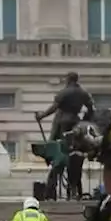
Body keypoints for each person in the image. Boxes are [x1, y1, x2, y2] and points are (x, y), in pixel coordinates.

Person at [36, 72, 95, 201]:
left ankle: (51, 191)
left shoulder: (64, 92)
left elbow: (53, 108)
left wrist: (42, 116)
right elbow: (91, 108)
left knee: (58, 156)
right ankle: (73, 190)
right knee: (74, 158)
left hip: (62, 123)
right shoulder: (83, 93)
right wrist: (85, 119)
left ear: (68, 80)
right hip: (76, 123)